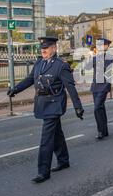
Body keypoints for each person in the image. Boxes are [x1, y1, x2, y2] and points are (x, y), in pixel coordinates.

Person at [8, 37, 84, 183]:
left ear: (54, 48)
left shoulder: (61, 65)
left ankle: (43, 171)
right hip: (42, 103)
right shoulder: (39, 63)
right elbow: (30, 79)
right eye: (42, 48)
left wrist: (78, 106)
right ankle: (63, 160)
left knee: (46, 139)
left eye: (47, 47)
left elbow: (70, 87)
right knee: (56, 133)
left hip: (54, 104)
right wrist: (15, 90)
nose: (43, 50)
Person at [85, 38, 113, 140]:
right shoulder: (95, 57)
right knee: (100, 108)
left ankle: (100, 131)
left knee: (97, 108)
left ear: (107, 46)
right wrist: (90, 55)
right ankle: (104, 131)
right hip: (95, 86)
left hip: (104, 85)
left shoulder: (110, 57)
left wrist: (96, 56)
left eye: (102, 45)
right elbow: (87, 67)